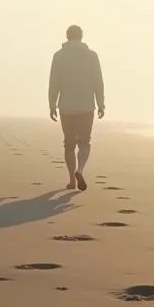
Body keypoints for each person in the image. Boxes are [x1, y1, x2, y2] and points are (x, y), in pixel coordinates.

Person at [48, 25, 105, 191]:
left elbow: (54, 83)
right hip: (86, 106)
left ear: (67, 37)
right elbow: (98, 82)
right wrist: (100, 103)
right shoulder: (92, 56)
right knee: (85, 143)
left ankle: (72, 180)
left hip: (66, 107)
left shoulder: (59, 56)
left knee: (69, 144)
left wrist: (52, 103)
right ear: (81, 37)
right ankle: (80, 170)